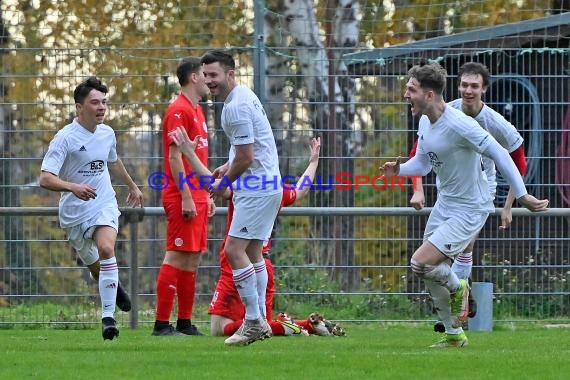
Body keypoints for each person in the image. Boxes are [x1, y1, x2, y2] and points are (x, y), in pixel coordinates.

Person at [379, 62, 548, 348]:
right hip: (445, 203)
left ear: (429, 94)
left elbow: (502, 153)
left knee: (420, 262)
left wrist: (521, 196)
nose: (406, 95)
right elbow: (422, 162)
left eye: (411, 89)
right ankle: (454, 335)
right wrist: (400, 171)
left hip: (471, 208)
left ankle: (460, 287)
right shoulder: (424, 120)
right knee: (429, 272)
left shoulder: (460, 124)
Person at [170, 129, 343, 337]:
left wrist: (189, 153)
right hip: (264, 265)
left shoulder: (247, 185)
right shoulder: (274, 187)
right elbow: (301, 190)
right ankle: (304, 325)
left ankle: (290, 326)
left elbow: (214, 185)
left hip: (237, 261)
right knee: (260, 324)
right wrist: (313, 162)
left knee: (220, 328)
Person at [407, 62, 529, 332]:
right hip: (447, 191)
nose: (468, 90)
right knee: (434, 261)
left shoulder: (495, 123)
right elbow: (420, 151)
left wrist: (510, 204)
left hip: (478, 195)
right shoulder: (443, 111)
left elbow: (517, 161)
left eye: (474, 86)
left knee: (455, 251)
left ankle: (455, 309)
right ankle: (456, 316)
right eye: (463, 85)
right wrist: (418, 188)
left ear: (484, 89)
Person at [39, 76, 143, 341]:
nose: (101, 107)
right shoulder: (65, 138)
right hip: (74, 211)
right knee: (96, 264)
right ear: (79, 106)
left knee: (107, 248)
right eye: (95, 102)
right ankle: (114, 287)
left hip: (103, 201)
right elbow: (45, 178)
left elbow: (113, 161)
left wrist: (132, 186)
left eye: (104, 102)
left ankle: (108, 318)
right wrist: (72, 187)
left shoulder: (107, 133)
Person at [200, 49, 283, 346]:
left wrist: (224, 182)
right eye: (205, 75)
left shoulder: (233, 108)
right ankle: (259, 317)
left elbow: (247, 157)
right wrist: (227, 164)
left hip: (256, 188)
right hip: (269, 183)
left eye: (214, 75)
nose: (209, 81)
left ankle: (252, 321)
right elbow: (247, 147)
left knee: (234, 250)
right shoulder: (244, 96)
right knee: (252, 252)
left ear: (230, 73)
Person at [152, 57, 215, 337]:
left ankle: (185, 323)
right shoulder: (178, 110)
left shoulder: (198, 110)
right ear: (193, 77)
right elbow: (175, 158)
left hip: (198, 194)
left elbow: (196, 157)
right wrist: (187, 196)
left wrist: (206, 194)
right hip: (181, 195)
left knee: (193, 259)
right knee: (175, 256)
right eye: (204, 74)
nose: (208, 80)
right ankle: (161, 324)